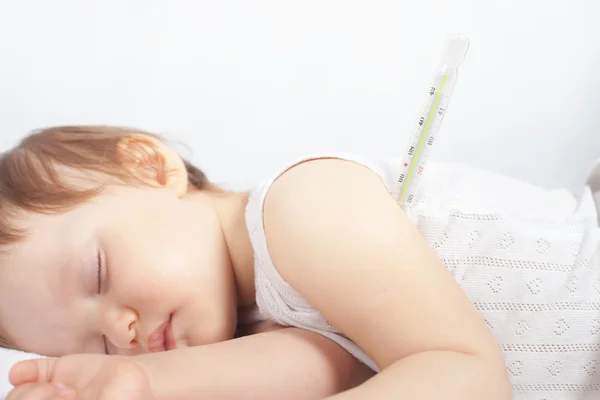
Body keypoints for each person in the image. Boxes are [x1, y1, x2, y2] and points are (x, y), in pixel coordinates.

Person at [1, 126, 598, 400]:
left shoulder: (301, 205)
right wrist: (136, 385)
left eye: (97, 275)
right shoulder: (260, 320)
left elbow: (467, 378)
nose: (118, 331)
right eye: (95, 346)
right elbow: (336, 371)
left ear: (150, 168)